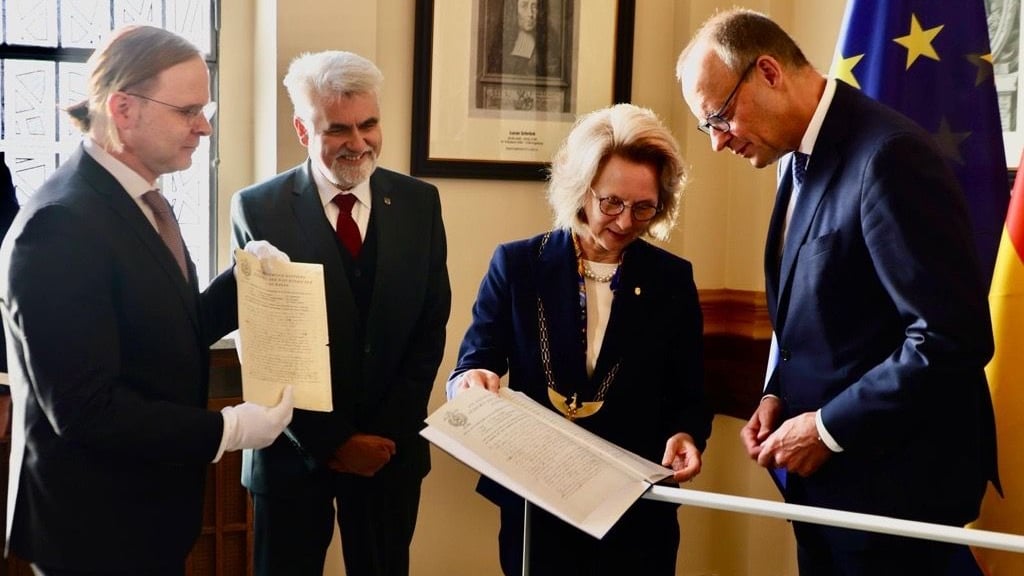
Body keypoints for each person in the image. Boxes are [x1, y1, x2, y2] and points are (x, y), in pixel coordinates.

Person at [676, 8, 999, 575]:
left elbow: (951, 338)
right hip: (828, 494)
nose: (718, 143)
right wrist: (779, 393)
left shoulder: (889, 155)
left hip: (896, 496)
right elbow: (821, 323)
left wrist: (826, 428)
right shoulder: (796, 157)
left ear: (769, 73)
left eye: (720, 117)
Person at [0, 25, 294, 575]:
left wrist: (243, 281)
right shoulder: (60, 223)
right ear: (123, 109)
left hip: (150, 515)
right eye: (188, 111)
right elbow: (84, 408)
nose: (203, 127)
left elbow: (167, 330)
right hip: (94, 530)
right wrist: (228, 430)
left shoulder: (141, 198)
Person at [448, 103, 712, 576]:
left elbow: (690, 393)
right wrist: (472, 379)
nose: (626, 221)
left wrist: (686, 435)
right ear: (579, 190)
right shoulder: (518, 265)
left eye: (644, 207)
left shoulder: (671, 278)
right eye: (611, 202)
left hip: (636, 509)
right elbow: (474, 360)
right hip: (537, 504)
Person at [231, 50, 451, 576]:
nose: (358, 143)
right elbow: (267, 343)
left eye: (369, 124)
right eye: (338, 129)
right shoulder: (258, 208)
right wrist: (333, 444)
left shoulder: (421, 203)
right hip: (293, 452)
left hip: (388, 451)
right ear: (304, 132)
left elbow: (429, 327)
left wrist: (382, 438)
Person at [492, 0, 562, 77]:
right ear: (513, 9)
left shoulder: (549, 42)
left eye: (534, 6)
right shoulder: (500, 40)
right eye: (524, 6)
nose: (530, 14)